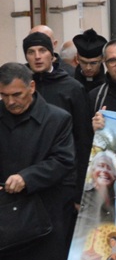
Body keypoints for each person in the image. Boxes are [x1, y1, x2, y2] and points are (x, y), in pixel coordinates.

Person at [0, 62, 76, 260]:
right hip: (6, 220)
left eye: (16, 94)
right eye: (4, 96)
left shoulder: (57, 119)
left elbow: (63, 160)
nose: (11, 101)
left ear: (31, 87)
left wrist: (28, 177)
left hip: (43, 217)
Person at [24, 31, 92, 202]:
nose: (37, 57)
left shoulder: (72, 88)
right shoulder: (20, 88)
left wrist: (80, 189)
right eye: (31, 52)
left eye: (42, 50)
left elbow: (83, 139)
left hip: (64, 181)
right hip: (26, 180)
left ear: (52, 54)